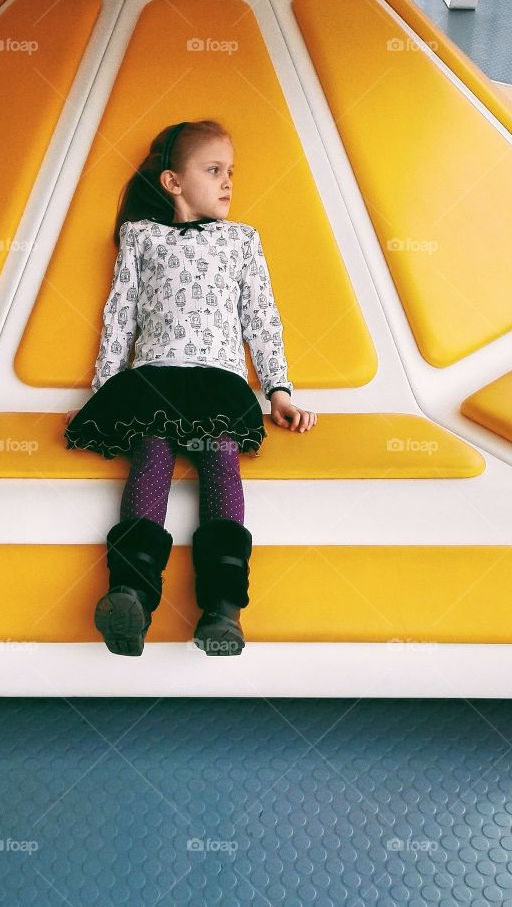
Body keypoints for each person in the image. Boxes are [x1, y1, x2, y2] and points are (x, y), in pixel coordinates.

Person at [64, 119, 317, 657]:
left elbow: (262, 318)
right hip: (154, 381)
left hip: (219, 384)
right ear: (173, 182)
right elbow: (119, 318)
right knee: (151, 456)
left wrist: (278, 390)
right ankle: (129, 592)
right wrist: (106, 388)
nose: (228, 182)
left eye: (231, 172)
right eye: (213, 170)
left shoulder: (243, 240)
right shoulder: (140, 237)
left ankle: (223, 610)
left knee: (220, 456)